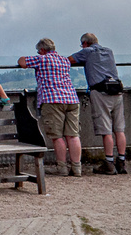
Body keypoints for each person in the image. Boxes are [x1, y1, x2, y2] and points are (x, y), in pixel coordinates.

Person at [19, 38, 83, 176]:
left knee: (57, 136)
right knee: (73, 135)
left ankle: (62, 168)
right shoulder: (65, 60)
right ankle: (77, 168)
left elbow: (22, 61)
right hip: (71, 99)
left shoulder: (41, 59)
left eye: (38, 51)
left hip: (52, 99)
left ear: (42, 50)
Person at [68, 33, 127, 174]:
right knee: (119, 129)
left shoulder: (87, 51)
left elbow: (68, 60)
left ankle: (109, 163)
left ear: (85, 43)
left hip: (101, 92)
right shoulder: (109, 51)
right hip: (117, 90)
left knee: (106, 129)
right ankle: (122, 162)